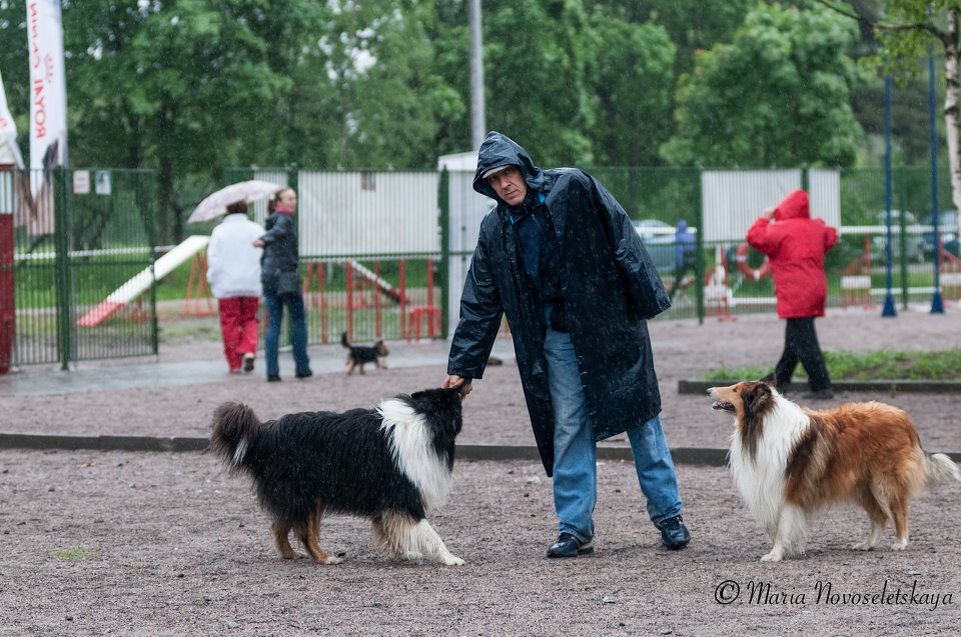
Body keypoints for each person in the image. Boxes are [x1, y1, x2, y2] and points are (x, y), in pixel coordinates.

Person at [444, 131, 690, 558]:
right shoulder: (494, 229)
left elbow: (622, 235)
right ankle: (574, 527)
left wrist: (647, 301)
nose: (504, 183)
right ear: (486, 185)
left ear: (523, 167)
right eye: (494, 179)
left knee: (642, 420)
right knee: (570, 425)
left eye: (508, 172)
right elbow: (481, 299)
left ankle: (670, 515)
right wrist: (463, 365)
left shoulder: (572, 186)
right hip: (556, 336)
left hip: (611, 325)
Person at [746, 189, 838, 399]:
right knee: (795, 341)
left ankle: (822, 386)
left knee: (805, 342)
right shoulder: (817, 228)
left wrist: (765, 217)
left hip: (796, 293)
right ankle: (777, 385)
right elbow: (831, 236)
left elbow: (753, 237)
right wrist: (818, 223)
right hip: (815, 290)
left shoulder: (780, 229)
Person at [253, 187, 312, 382]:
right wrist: (263, 240)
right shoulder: (284, 219)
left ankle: (272, 371)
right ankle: (302, 367)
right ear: (279, 202)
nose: (293, 202)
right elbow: (279, 232)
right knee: (298, 320)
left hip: (269, 276)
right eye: (289, 198)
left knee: (274, 323)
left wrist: (265, 239)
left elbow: (274, 236)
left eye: (294, 198)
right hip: (286, 276)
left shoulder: (271, 220)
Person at [206, 200, 264, 374]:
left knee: (229, 322)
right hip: (251, 283)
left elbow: (213, 258)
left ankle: (234, 363)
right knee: (250, 318)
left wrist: (212, 278)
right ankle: (248, 349)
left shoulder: (219, 231)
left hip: (227, 285)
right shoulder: (256, 229)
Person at [668, 219, 696, 301]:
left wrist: (679, 265)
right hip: (694, 261)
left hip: (684, 260)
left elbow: (679, 252)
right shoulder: (691, 236)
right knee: (699, 276)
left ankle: (670, 297)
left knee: (678, 279)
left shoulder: (679, 237)